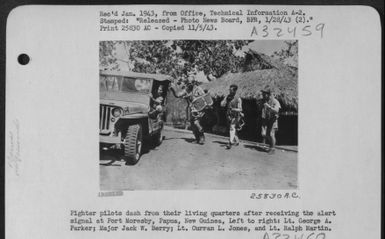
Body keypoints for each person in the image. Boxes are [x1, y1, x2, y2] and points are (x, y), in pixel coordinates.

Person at [170, 80, 206, 144]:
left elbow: (204, 98)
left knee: (196, 123)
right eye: (188, 83)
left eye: (191, 83)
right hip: (192, 109)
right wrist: (173, 89)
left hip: (199, 109)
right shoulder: (186, 90)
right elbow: (178, 95)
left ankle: (202, 136)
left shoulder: (198, 89)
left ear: (194, 83)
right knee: (192, 125)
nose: (189, 84)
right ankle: (197, 138)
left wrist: (192, 97)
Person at [221, 84, 244, 149]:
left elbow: (240, 109)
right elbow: (223, 103)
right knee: (232, 128)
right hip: (229, 115)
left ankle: (230, 142)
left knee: (232, 127)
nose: (230, 91)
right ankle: (236, 141)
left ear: (235, 91)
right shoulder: (228, 96)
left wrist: (233, 109)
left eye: (231, 90)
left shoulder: (238, 98)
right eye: (229, 90)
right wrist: (223, 102)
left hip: (236, 115)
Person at [260, 88, 281, 154]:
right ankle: (271, 146)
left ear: (268, 94)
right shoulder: (265, 101)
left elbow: (276, 110)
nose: (262, 95)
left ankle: (273, 149)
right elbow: (264, 113)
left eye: (264, 93)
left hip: (273, 121)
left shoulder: (275, 101)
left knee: (271, 134)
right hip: (268, 120)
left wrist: (269, 107)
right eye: (262, 93)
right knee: (265, 134)